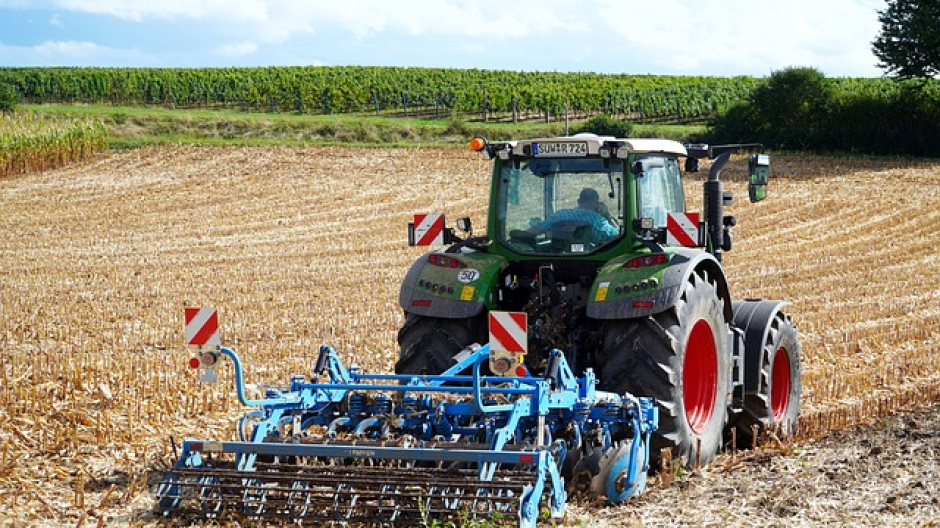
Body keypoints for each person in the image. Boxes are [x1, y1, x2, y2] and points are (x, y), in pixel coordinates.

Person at [535, 188, 618, 243]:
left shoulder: (560, 215)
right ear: (597, 203)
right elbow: (617, 237)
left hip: (557, 257)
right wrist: (607, 215)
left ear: (578, 201)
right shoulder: (598, 221)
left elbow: (536, 230)